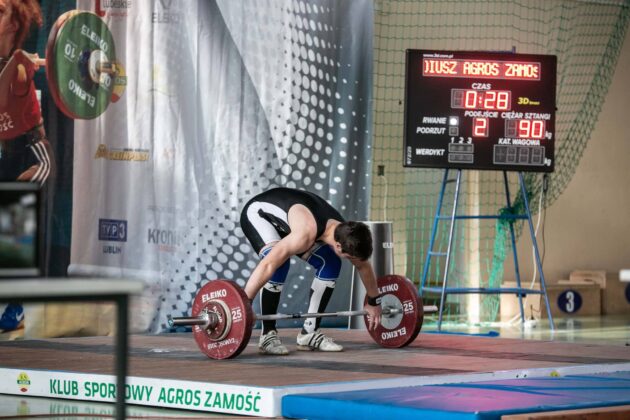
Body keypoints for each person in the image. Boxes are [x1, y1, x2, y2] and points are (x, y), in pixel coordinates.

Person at [240, 187, 382, 355]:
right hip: (259, 213)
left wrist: (374, 302)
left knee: (330, 263)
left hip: (293, 220)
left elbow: (363, 265)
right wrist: (245, 304)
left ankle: (309, 334)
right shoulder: (305, 234)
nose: (352, 261)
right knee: (278, 263)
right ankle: (267, 335)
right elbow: (268, 265)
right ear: (338, 246)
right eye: (349, 257)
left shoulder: (346, 231)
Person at [0, 0, 53, 333]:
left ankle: (14, 309)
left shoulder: (19, 71)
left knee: (14, 231)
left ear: (12, 25)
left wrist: (17, 61)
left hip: (23, 156)